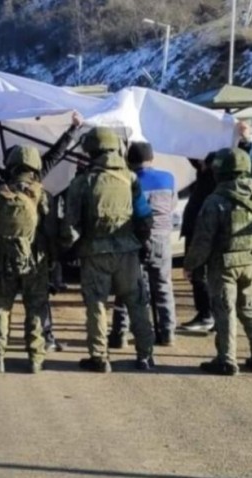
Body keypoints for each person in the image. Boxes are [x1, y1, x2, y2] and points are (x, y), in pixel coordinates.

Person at [0, 113, 83, 349]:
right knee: (38, 300)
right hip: (33, 255)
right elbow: (55, 155)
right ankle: (46, 339)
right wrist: (73, 129)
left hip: (3, 254)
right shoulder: (37, 184)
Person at [61, 127, 156, 373]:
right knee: (137, 303)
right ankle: (145, 355)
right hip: (128, 252)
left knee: (97, 306)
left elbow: (70, 226)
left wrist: (65, 252)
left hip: (94, 253)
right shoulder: (130, 179)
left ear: (91, 151)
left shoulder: (82, 183)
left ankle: (99, 357)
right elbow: (145, 217)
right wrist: (139, 242)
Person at [0, 146, 58, 373]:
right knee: (35, 309)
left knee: (1, 309)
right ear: (35, 167)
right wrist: (52, 260)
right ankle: (35, 359)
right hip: (35, 263)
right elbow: (52, 233)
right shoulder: (43, 196)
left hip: (4, 261)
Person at [184, 148, 252, 376]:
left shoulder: (214, 201)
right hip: (249, 261)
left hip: (223, 266)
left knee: (224, 311)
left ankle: (226, 359)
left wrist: (191, 265)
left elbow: (202, 240)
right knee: (247, 309)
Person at [110, 142, 178, 347]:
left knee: (127, 288)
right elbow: (172, 205)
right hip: (162, 238)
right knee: (163, 285)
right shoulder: (168, 178)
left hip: (134, 240)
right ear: (151, 158)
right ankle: (167, 332)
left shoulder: (125, 180)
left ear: (129, 161)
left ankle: (120, 334)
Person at [179, 153, 217, 332]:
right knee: (198, 276)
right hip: (196, 231)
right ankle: (207, 314)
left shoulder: (213, 181)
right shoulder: (204, 176)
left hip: (200, 233)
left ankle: (207, 314)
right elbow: (192, 153)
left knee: (199, 275)